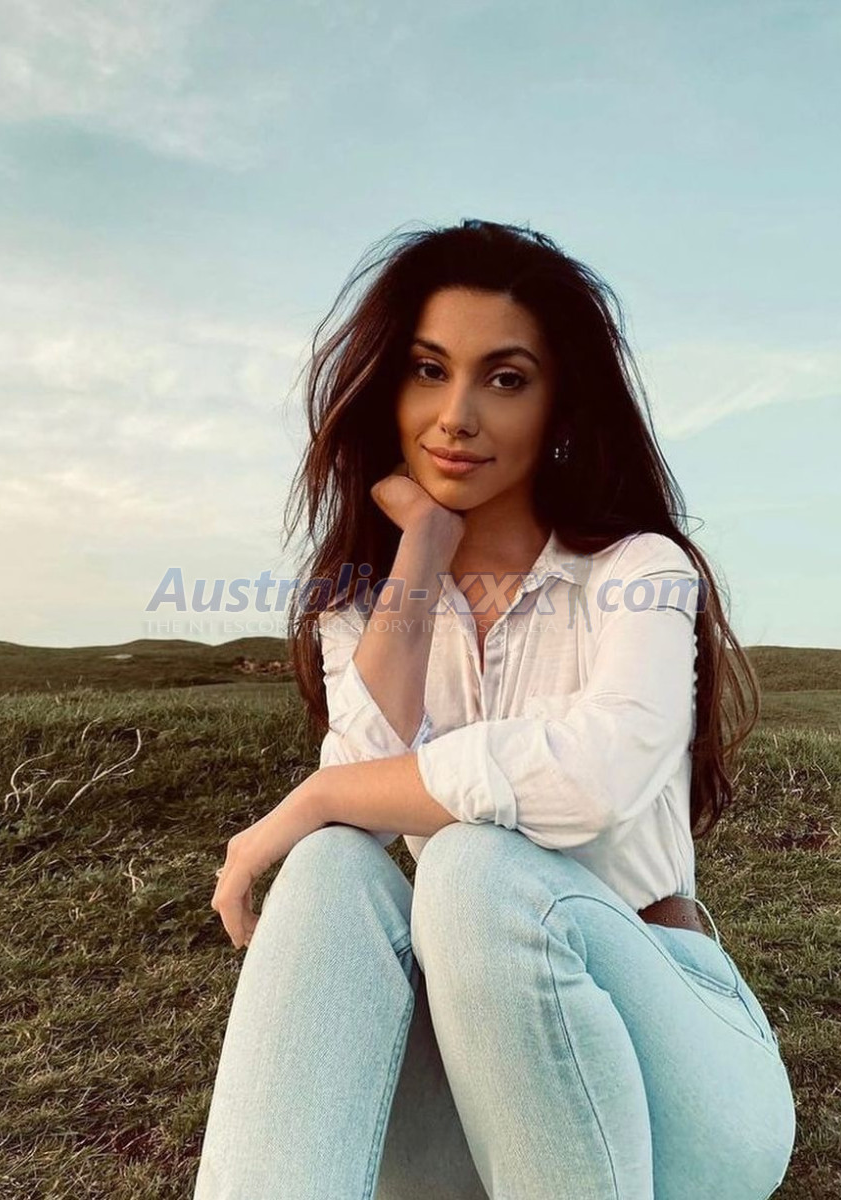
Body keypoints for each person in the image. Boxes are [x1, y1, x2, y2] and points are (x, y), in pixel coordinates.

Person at [193, 219, 797, 1199]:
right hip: (477, 1107)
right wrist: (422, 550)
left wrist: (319, 797)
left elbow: (592, 778)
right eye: (428, 371)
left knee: (474, 865)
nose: (456, 416)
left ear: (559, 407)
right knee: (333, 865)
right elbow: (355, 816)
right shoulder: (364, 613)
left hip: (675, 1079)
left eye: (504, 379)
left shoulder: (638, 572)